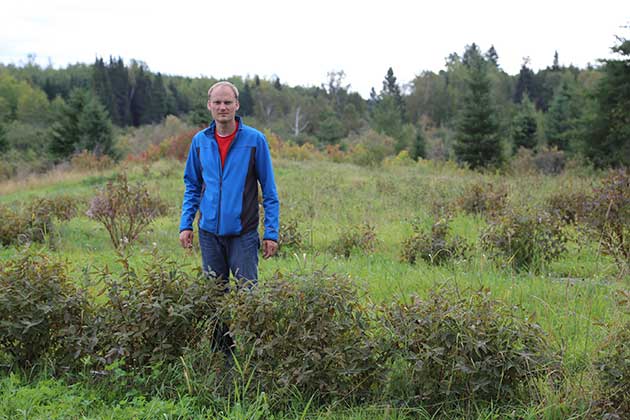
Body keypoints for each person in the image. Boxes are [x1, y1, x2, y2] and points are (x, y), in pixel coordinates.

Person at [179, 81, 279, 289]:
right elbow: (192, 187)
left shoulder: (255, 140)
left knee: (248, 297)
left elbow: (269, 191)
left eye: (227, 102)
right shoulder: (200, 142)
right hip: (209, 235)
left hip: (244, 234)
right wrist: (185, 225)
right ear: (209, 105)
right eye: (217, 102)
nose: (222, 107)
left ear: (237, 105)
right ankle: (221, 325)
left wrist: (271, 233)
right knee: (214, 299)